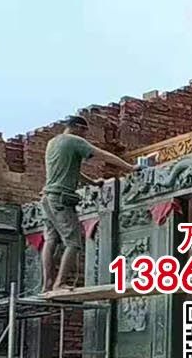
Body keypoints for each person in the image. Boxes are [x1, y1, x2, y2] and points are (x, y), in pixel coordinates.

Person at [41, 115, 134, 292]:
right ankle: (59, 283)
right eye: (85, 131)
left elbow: (71, 172)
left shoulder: (52, 143)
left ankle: (47, 284)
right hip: (61, 199)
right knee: (73, 242)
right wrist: (130, 168)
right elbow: (103, 155)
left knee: (50, 240)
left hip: (47, 198)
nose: (85, 136)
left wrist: (92, 183)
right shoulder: (73, 140)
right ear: (78, 127)